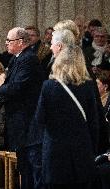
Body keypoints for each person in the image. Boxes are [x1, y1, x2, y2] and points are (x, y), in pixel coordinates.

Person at [0, 27, 44, 189]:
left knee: (29, 165)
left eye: (9, 40)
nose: (6, 43)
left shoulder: (28, 59)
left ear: (21, 42)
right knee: (24, 165)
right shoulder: (17, 58)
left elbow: (16, 87)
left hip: (26, 121)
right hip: (18, 120)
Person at [33, 45, 100, 189]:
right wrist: (92, 149)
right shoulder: (88, 86)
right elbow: (94, 122)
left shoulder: (48, 86)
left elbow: (40, 118)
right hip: (81, 150)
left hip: (55, 150)